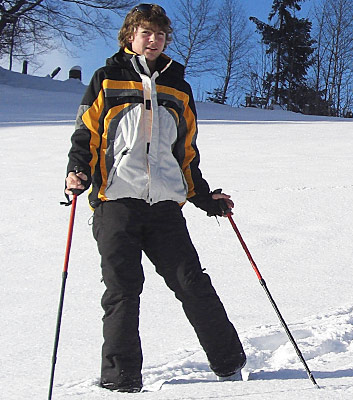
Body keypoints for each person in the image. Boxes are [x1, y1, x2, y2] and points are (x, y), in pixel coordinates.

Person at [63, 3, 246, 392]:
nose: (154, 39)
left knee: (192, 283)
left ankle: (230, 364)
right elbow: (86, 135)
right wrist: (77, 171)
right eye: (147, 32)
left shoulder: (178, 87)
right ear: (130, 36)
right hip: (117, 202)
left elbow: (185, 152)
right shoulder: (107, 79)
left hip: (164, 206)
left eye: (161, 34)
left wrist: (202, 196)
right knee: (122, 291)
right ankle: (121, 379)